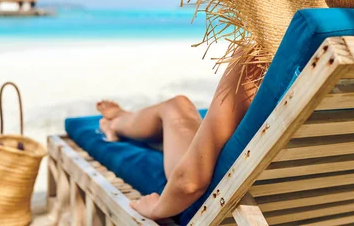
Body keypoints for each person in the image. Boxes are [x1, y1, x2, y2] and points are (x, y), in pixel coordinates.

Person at [96, 55, 262, 220]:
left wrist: (156, 209)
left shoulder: (255, 58)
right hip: (266, 189)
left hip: (213, 191)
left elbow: (189, 184)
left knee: (177, 105)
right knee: (184, 118)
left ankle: (116, 123)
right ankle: (123, 119)